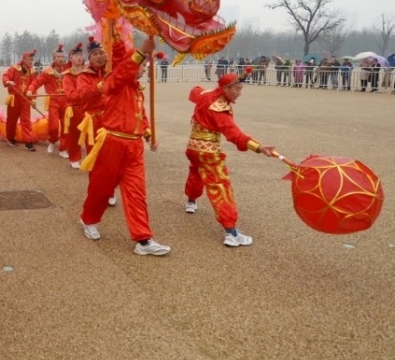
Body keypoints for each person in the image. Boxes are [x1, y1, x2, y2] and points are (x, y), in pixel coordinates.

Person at [78, 37, 169, 256]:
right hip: (112, 143)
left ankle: (143, 240)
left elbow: (141, 117)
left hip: (134, 147)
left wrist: (148, 135)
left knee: (136, 192)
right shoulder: (117, 82)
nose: (143, 69)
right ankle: (88, 219)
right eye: (141, 65)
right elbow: (119, 72)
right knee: (101, 188)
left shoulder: (137, 90)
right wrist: (137, 51)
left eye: (145, 66)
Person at [183, 66, 276, 247]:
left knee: (195, 173)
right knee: (221, 186)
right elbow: (234, 134)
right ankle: (231, 232)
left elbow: (194, 92)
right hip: (209, 152)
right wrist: (258, 147)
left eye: (241, 89)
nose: (239, 93)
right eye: (237, 89)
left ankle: (191, 200)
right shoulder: (219, 108)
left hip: (193, 147)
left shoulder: (206, 94)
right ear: (226, 89)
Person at [76, 37, 117, 205]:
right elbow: (82, 95)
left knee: (112, 159)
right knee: (95, 160)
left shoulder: (112, 73)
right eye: (95, 54)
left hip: (112, 120)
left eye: (102, 53)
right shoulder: (84, 76)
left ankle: (110, 191)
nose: (100, 56)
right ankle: (95, 194)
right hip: (93, 122)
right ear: (89, 58)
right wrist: (99, 87)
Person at [27, 44, 68, 154]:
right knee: (53, 126)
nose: (60, 59)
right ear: (54, 58)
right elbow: (37, 82)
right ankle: (52, 141)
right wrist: (31, 89)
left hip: (66, 102)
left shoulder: (68, 71)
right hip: (53, 101)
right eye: (58, 57)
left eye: (62, 57)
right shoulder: (47, 72)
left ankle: (63, 148)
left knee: (66, 126)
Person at [2, 49, 37, 151]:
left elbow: (34, 85)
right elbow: (5, 76)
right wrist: (8, 81)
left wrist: (33, 98)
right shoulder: (14, 68)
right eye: (29, 59)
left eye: (32, 59)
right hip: (14, 98)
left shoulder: (32, 72)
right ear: (24, 59)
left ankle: (28, 142)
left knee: (26, 120)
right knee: (11, 120)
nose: (31, 61)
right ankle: (10, 137)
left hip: (25, 99)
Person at [60, 43, 86, 167]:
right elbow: (71, 95)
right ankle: (74, 158)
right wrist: (89, 92)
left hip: (89, 108)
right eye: (75, 55)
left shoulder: (89, 72)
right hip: (74, 109)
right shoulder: (67, 76)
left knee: (92, 134)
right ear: (70, 58)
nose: (79, 58)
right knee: (74, 135)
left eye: (80, 55)